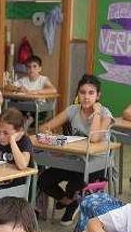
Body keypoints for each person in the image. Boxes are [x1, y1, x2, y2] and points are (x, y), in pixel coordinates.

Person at [38, 74, 113, 223]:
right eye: (82, 92)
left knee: (75, 184)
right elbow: (44, 127)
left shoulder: (105, 114)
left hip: (95, 163)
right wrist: (47, 131)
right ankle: (69, 201)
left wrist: (96, 112)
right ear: (78, 94)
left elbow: (95, 138)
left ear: (98, 95)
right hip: (73, 159)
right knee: (43, 180)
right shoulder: (73, 110)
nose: (86, 97)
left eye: (91, 93)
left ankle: (74, 199)